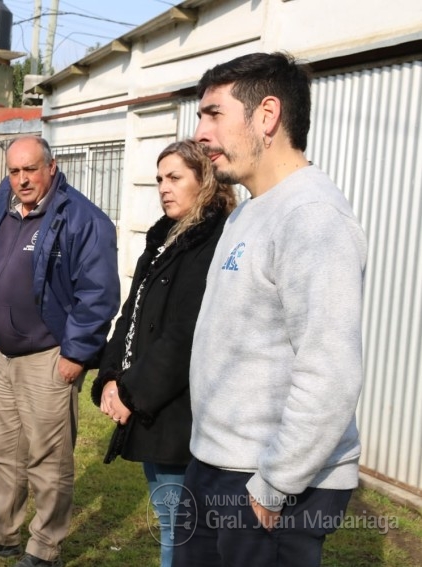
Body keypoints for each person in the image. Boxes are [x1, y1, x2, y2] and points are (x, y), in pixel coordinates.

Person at [172, 52, 367, 567]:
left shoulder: (312, 216)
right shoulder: (251, 210)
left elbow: (330, 371)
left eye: (213, 114)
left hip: (268, 485)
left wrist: (275, 484)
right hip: (218, 465)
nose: (200, 133)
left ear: (267, 116)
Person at [0, 135, 120, 567]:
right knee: (2, 450)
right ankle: (2, 535)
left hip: (51, 355)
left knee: (48, 457)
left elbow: (98, 295)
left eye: (30, 169)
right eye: (14, 171)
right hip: (5, 355)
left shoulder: (83, 219)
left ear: (51, 166)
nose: (22, 179)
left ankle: (45, 549)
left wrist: (76, 353)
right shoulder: (4, 207)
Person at [91, 139, 236, 567]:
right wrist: (110, 378)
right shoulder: (163, 239)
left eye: (174, 178)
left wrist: (131, 394)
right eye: (159, 179)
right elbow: (131, 316)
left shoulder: (214, 242)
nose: (163, 188)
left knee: (182, 530)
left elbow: (184, 336)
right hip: (149, 408)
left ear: (205, 180)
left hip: (179, 412)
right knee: (170, 522)